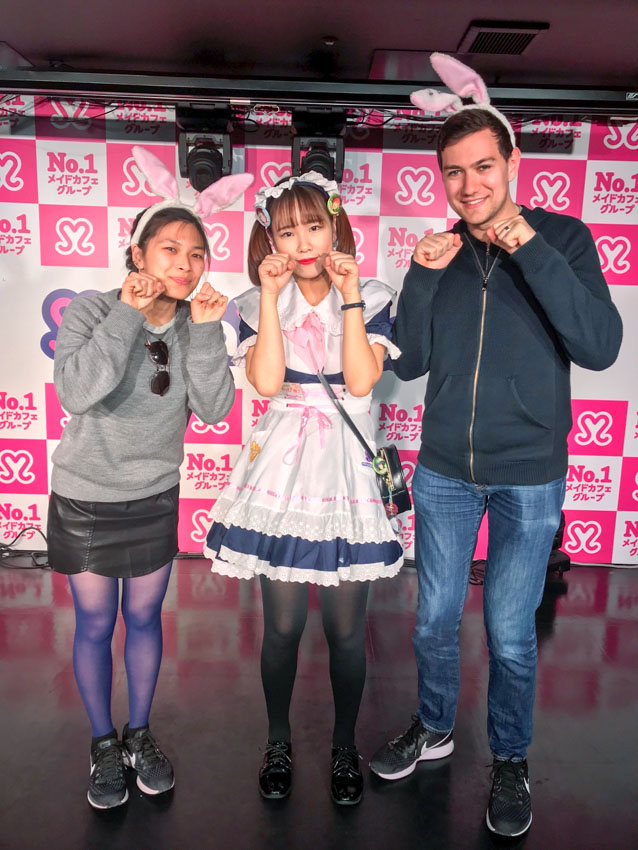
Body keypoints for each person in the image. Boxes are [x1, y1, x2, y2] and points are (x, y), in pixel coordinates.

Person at [369, 54, 623, 837]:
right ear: (442, 179)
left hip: (528, 476)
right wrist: (415, 275)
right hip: (445, 470)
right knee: (432, 619)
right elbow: (408, 360)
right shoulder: (441, 255)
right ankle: (437, 729)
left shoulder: (566, 239)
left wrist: (525, 245)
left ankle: (510, 758)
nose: (470, 184)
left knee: (511, 634)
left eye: (484, 166)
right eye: (454, 172)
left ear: (512, 161)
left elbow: (601, 346)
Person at [47, 146, 251, 809]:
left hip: (155, 495)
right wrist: (130, 314)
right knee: (94, 623)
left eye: (196, 254)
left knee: (142, 618)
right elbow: (79, 392)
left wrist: (212, 334)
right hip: (84, 496)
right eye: (169, 249)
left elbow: (217, 410)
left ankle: (139, 733)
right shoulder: (91, 309)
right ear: (138, 253)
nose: (185, 265)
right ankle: (103, 743)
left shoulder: (198, 322)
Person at [204, 171, 403, 805]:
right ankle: (279, 739)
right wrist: (269, 294)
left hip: (346, 466)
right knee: (283, 627)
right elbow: (264, 384)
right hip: (283, 466)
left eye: (313, 224)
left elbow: (362, 381)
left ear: (335, 224)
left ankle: (345, 744)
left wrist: (346, 296)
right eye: (286, 230)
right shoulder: (248, 302)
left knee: (347, 630)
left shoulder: (371, 295)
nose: (302, 240)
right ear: (271, 238)